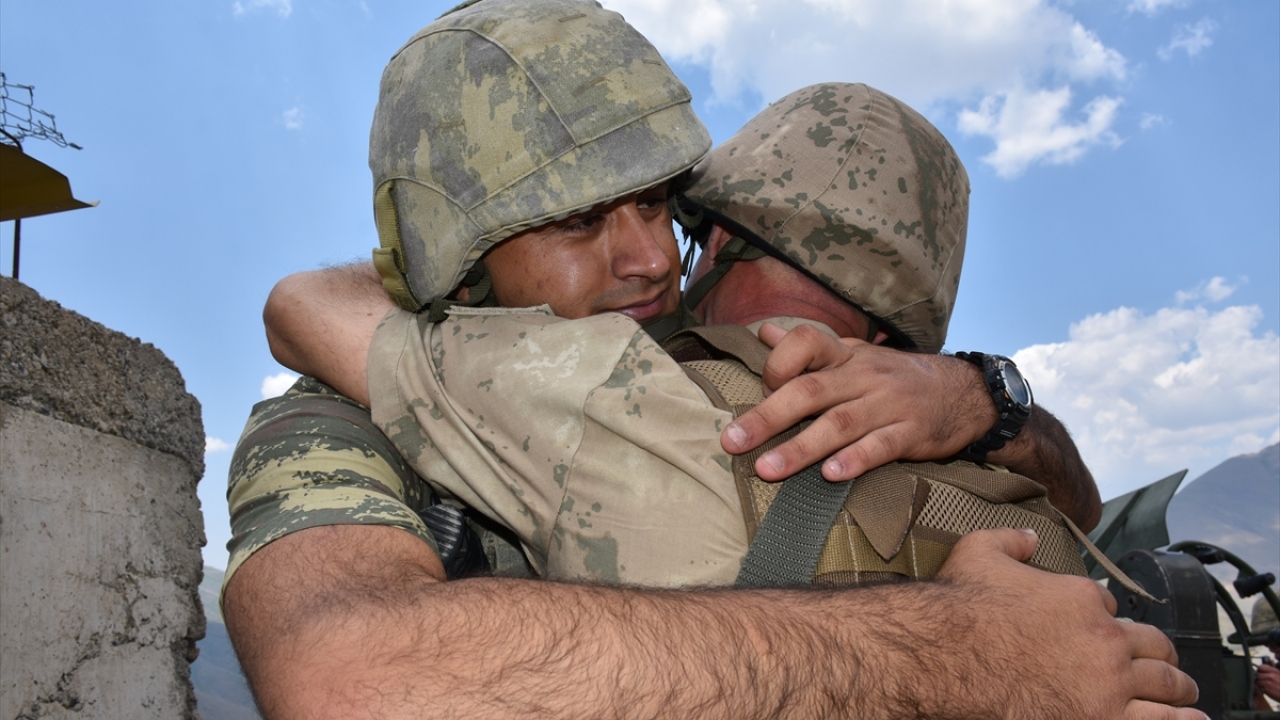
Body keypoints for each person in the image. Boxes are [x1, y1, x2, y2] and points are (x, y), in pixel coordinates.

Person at [223, 2, 1201, 718]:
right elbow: (346, 679)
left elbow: (1072, 510)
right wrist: (962, 653)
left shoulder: (775, 352)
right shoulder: (336, 420)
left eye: (655, 201)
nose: (650, 260)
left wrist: (983, 401)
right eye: (576, 220)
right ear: (460, 251)